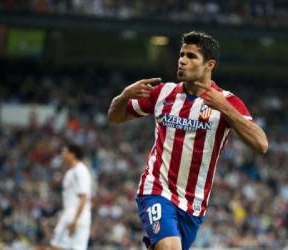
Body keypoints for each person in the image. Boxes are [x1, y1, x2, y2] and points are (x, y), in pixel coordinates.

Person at [107, 31, 268, 250]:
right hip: (157, 190)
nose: (182, 60)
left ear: (209, 65)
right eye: (182, 54)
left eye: (191, 56)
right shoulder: (163, 93)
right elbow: (115, 117)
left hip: (193, 205)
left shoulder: (227, 101)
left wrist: (224, 108)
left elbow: (261, 144)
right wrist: (124, 95)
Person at [50, 143, 92, 250]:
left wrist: (75, 220)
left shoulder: (80, 170)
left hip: (73, 216)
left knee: (56, 246)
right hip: (80, 216)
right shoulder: (72, 171)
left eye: (65, 152)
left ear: (73, 154)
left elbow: (84, 197)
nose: (62, 155)